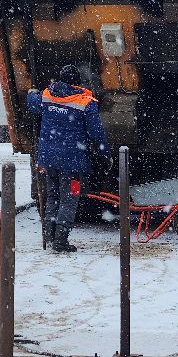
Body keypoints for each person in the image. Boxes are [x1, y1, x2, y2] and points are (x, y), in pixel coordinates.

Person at [25, 65, 110, 253]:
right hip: (73, 163)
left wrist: (31, 92)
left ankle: (49, 235)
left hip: (49, 160)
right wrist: (106, 154)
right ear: (78, 82)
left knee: (53, 196)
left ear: (61, 80)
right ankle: (61, 241)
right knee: (69, 199)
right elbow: (96, 133)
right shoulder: (85, 101)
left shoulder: (47, 95)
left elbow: (33, 103)